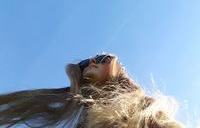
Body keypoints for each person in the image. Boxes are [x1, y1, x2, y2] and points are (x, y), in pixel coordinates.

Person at [0, 53, 185, 127]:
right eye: (84, 64)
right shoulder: (83, 118)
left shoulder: (145, 108)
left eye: (100, 57)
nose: (91, 62)